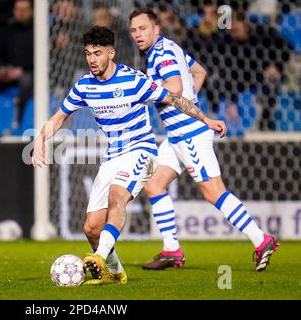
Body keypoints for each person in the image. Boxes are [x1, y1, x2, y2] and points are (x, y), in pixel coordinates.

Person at [31, 26, 227, 285]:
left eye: (97, 53)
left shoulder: (133, 81)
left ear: (111, 53)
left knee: (117, 196)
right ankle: (114, 273)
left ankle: (99, 256)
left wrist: (205, 118)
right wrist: (40, 140)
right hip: (113, 156)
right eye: (88, 53)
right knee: (91, 227)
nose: (91, 59)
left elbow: (174, 98)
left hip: (142, 151)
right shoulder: (84, 87)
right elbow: (59, 118)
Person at [129, 8, 279, 272]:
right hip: (176, 135)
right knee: (154, 185)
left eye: (142, 28)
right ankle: (172, 250)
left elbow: (174, 88)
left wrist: (145, 95)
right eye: (133, 30)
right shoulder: (168, 47)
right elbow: (200, 72)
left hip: (188, 134)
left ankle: (261, 239)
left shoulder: (161, 54)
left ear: (156, 29)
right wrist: (190, 102)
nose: (137, 34)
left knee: (213, 192)